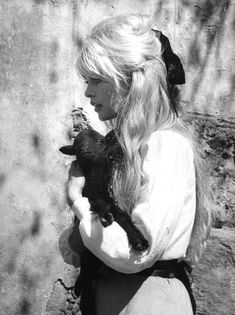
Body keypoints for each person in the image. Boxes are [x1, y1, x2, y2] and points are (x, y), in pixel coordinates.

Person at [66, 14, 211, 315]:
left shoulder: (166, 146)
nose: (87, 93)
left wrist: (78, 202)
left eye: (96, 80)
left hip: (149, 302)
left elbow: (134, 253)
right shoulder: (130, 147)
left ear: (129, 81)